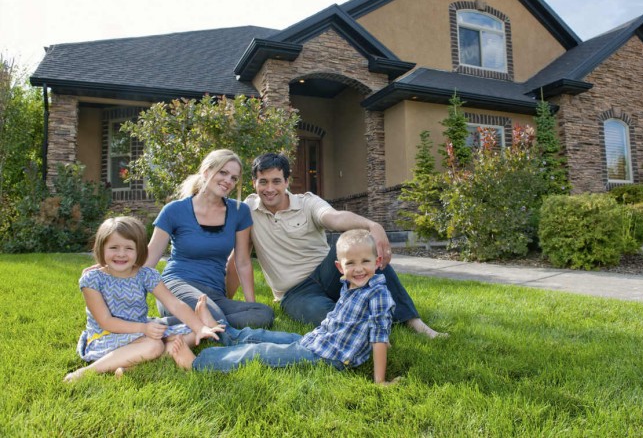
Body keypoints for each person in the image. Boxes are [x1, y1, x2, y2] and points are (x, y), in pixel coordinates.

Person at [227, 152, 446, 338]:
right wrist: (231, 303)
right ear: (254, 183)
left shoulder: (307, 202)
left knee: (364, 246)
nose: (269, 188)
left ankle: (413, 321)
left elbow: (336, 218)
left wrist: (372, 226)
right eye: (262, 182)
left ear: (287, 182)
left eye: (276, 181)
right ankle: (363, 321)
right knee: (330, 320)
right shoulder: (248, 212)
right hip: (294, 293)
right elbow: (238, 260)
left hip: (331, 271)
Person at [171, 229, 398, 384]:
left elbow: (378, 338)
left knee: (261, 352)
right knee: (263, 336)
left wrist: (379, 381)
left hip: (329, 357)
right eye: (351, 263)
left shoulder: (377, 295)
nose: (359, 269)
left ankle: (199, 363)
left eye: (366, 262)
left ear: (378, 263)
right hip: (319, 340)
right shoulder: (350, 284)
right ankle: (225, 333)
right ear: (340, 267)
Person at [65, 217, 224, 382]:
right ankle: (89, 371)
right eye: (113, 247)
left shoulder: (145, 275)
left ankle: (131, 368)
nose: (121, 254)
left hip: (141, 332)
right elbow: (106, 321)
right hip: (107, 336)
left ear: (139, 250)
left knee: (191, 332)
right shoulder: (92, 280)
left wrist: (198, 328)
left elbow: (174, 304)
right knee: (155, 345)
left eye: (128, 248)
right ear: (101, 248)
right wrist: (143, 328)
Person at [146, 149, 274, 329]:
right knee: (211, 313)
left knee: (263, 314)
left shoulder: (239, 212)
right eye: (223, 172)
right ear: (206, 172)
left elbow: (243, 262)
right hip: (177, 286)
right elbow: (149, 261)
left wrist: (250, 305)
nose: (228, 181)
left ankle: (168, 325)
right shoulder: (174, 210)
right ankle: (203, 322)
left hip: (215, 294)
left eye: (234, 178)